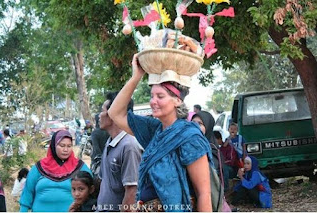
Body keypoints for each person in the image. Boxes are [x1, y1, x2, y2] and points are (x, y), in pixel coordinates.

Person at [108, 54, 212, 212]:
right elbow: (115, 113)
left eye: (160, 96)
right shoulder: (153, 130)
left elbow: (203, 193)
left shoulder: (189, 137)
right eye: (151, 96)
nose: (153, 101)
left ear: (177, 100)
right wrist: (136, 76)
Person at [19, 130, 92, 212]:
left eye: (69, 146)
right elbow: (27, 194)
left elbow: (92, 192)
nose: (66, 149)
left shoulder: (80, 167)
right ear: (53, 145)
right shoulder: (39, 167)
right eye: (62, 145)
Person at [97, 92, 143, 212]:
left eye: (102, 110)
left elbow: (132, 191)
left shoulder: (129, 146)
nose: (99, 115)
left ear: (113, 113)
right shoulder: (110, 142)